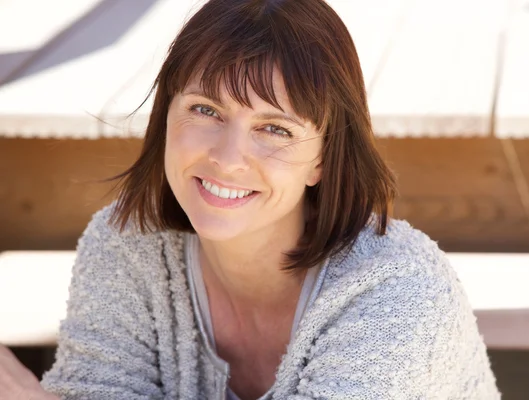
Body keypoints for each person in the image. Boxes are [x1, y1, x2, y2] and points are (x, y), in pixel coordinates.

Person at [0, 0, 501, 399]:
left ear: (324, 157)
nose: (228, 157)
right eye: (206, 109)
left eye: (274, 128)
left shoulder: (399, 290)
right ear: (165, 116)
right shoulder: (125, 244)